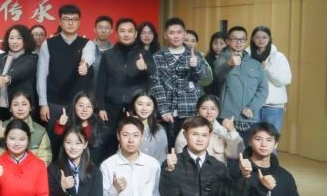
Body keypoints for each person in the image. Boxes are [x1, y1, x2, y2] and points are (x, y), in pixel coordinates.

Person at [37, 4, 96, 154]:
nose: (70, 22)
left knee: (78, 145)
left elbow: (89, 55)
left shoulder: (87, 44)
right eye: (66, 19)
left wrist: (85, 64)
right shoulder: (48, 44)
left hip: (79, 107)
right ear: (60, 21)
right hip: (54, 104)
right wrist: (43, 103)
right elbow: (41, 75)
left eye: (74, 19)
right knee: (54, 143)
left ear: (79, 22)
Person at [149, 17, 208, 148]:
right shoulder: (157, 56)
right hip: (168, 111)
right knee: (168, 147)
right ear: (165, 35)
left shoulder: (194, 54)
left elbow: (202, 77)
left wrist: (195, 66)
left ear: (184, 34)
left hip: (190, 108)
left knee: (189, 146)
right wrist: (163, 110)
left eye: (179, 32)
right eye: (172, 33)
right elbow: (156, 84)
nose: (176, 36)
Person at [95, 17, 155, 141]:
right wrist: (101, 108)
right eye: (122, 31)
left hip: (135, 108)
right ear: (116, 33)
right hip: (111, 108)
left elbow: (153, 77)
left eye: (130, 31)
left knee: (133, 141)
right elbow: (101, 83)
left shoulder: (144, 54)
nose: (126, 34)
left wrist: (145, 68)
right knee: (109, 142)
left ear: (136, 34)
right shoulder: (108, 55)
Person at [215, 26, 269, 144]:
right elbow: (218, 74)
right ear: (228, 41)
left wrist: (252, 108)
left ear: (246, 41)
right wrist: (229, 64)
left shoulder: (255, 64)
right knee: (226, 151)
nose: (238, 42)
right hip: (228, 117)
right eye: (235, 39)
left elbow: (263, 89)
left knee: (247, 151)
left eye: (242, 39)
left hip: (249, 117)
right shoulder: (221, 60)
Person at [0, 91, 51, 165]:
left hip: (30, 172)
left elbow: (44, 160)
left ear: (30, 107)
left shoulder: (40, 131)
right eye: (15, 105)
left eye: (24, 104)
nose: (20, 108)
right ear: (10, 108)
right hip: (2, 171)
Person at [0, 24, 38, 125]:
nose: (14, 41)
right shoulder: (0, 58)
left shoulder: (32, 58)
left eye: (19, 38)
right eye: (11, 38)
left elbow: (21, 71)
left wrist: (6, 79)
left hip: (19, 109)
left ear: (25, 40)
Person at [174, 95, 243, 163]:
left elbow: (235, 155)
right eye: (204, 108)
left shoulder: (223, 131)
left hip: (218, 170)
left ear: (218, 111)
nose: (209, 112)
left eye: (213, 109)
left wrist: (232, 131)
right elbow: (181, 158)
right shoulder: (187, 130)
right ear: (198, 111)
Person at [250, 26, 292, 137]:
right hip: (251, 105)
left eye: (264, 37)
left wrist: (268, 68)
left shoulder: (279, 57)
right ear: (253, 39)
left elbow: (285, 79)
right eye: (257, 37)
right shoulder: (247, 55)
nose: (261, 40)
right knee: (251, 139)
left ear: (269, 39)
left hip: (272, 106)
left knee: (270, 139)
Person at [53, 92, 112, 170]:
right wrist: (60, 126)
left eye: (89, 106)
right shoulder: (66, 124)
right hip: (67, 169)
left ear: (93, 108)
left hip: (92, 170)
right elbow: (56, 148)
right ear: (74, 106)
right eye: (81, 105)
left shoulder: (101, 129)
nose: (84, 110)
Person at [127, 91, 168, 165]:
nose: (144, 108)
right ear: (134, 105)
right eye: (140, 104)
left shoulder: (159, 130)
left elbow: (162, 157)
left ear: (153, 107)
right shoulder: (126, 127)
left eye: (148, 105)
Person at [205, 32, 229, 97]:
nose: (218, 46)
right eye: (215, 43)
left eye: (221, 44)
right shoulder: (207, 60)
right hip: (212, 94)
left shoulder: (231, 59)